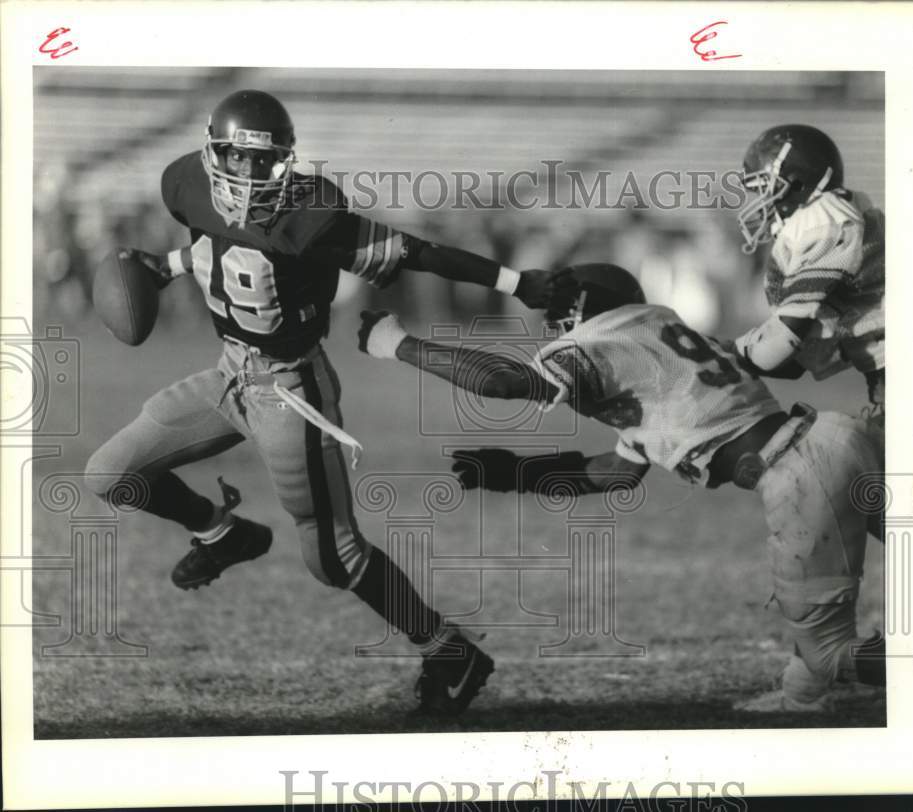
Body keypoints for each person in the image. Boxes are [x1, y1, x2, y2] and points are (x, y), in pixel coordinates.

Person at [85, 89, 573, 715]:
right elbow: (222, 240)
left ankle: (450, 651)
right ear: (213, 154)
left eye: (265, 163)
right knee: (110, 473)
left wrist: (517, 282)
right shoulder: (185, 184)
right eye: (237, 160)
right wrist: (168, 265)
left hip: (292, 393)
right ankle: (221, 532)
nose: (250, 175)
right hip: (229, 375)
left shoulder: (313, 216)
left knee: (334, 558)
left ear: (287, 162)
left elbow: (419, 252)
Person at [357, 263, 886, 712]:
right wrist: (516, 474)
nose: (554, 327)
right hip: (835, 437)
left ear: (585, 310)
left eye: (560, 315)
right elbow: (618, 471)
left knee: (831, 655)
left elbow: (502, 382)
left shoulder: (608, 339)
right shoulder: (656, 342)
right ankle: (806, 693)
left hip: (800, 472)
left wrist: (399, 344)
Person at [733, 124, 885, 425]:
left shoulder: (823, 220)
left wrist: (728, 354)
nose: (763, 201)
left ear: (798, 184)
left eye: (767, 188)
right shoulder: (835, 209)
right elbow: (800, 360)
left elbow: (779, 346)